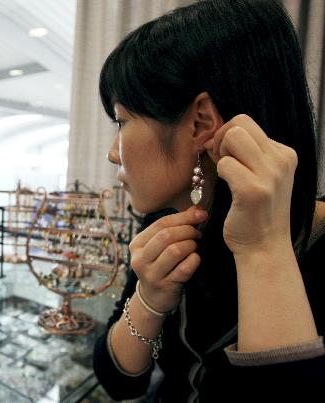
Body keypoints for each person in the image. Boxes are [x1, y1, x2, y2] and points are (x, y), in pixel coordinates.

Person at [93, 0, 324, 401]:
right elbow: (119, 382)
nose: (113, 152)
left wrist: (263, 250)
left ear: (200, 121)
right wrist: (150, 298)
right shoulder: (169, 224)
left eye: (121, 121)